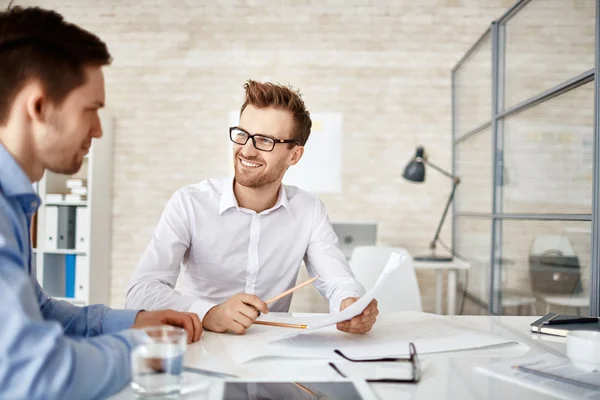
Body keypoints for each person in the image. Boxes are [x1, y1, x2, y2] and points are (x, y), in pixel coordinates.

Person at [0, 6, 202, 399]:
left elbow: (38, 310)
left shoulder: (15, 201)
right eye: (90, 111)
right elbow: (34, 376)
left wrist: (137, 322)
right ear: (38, 107)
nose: (97, 129)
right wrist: (145, 348)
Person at [126, 80, 379, 335]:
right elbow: (141, 292)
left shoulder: (309, 210)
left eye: (265, 141)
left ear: (294, 155)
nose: (246, 150)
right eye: (242, 135)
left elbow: (337, 281)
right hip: (202, 346)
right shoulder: (189, 203)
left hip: (273, 354)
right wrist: (209, 313)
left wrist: (350, 303)